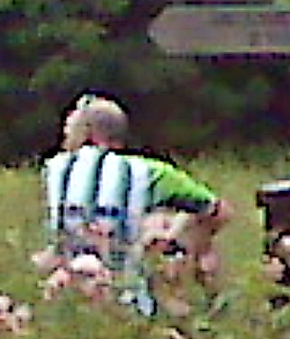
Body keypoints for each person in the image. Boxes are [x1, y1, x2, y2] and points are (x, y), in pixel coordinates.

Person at [41, 93, 232, 315]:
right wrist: (177, 235)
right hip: (127, 300)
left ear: (89, 133)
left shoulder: (54, 170)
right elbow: (219, 212)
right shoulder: (149, 172)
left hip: (65, 298)